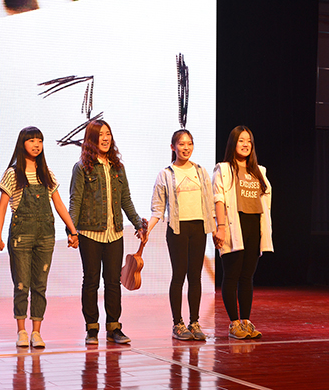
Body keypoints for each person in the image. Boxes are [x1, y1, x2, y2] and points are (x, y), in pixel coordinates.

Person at [0, 126, 79, 348]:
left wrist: (73, 230)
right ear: (22, 144)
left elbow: (58, 204)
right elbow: (2, 209)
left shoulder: (46, 173)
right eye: (31, 140)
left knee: (40, 285)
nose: (36, 144)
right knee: (22, 285)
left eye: (39, 140)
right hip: (21, 235)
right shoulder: (13, 173)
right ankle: (21, 331)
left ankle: (36, 332)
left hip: (45, 235)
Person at [68, 119, 146, 345]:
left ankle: (114, 327)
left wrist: (138, 224)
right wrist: (72, 231)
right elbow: (75, 201)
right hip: (90, 233)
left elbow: (126, 199)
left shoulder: (117, 167)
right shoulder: (82, 168)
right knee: (91, 281)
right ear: (91, 139)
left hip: (115, 234)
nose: (105, 138)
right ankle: (92, 328)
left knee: (113, 282)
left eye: (108, 133)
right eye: (101, 134)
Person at [146, 129, 215, 341]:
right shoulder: (166, 174)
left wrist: (217, 229)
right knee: (179, 275)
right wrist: (147, 230)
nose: (186, 148)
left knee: (195, 277)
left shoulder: (201, 171)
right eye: (182, 144)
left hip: (199, 228)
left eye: (189, 144)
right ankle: (178, 323)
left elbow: (210, 204)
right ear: (173, 147)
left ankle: (194, 322)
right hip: (177, 230)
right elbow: (157, 208)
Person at [212, 126, 273, 339]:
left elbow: (265, 203)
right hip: (233, 226)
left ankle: (246, 322)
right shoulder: (224, 169)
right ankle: (234, 323)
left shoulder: (259, 171)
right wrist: (220, 228)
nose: (245, 144)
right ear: (233, 143)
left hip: (254, 226)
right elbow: (218, 199)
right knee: (231, 275)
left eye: (248, 141)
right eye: (241, 140)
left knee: (247, 276)